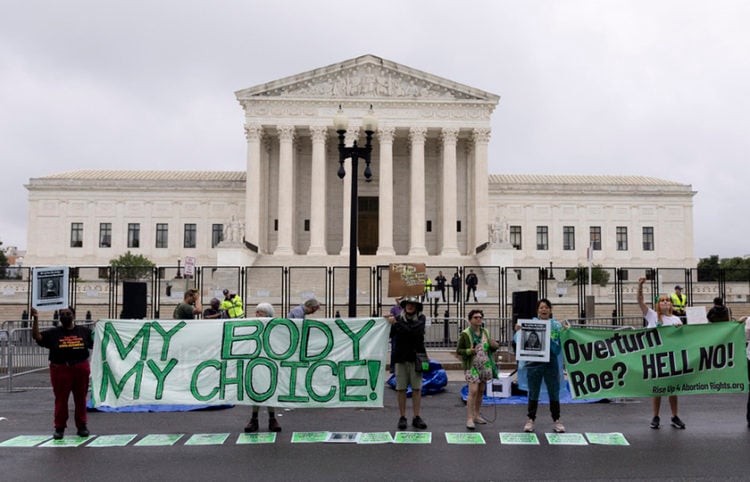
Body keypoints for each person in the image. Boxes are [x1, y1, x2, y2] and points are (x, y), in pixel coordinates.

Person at [31, 306, 94, 440]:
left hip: (80, 368)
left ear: (74, 315)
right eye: (63, 314)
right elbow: (37, 336)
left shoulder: (84, 331)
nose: (65, 316)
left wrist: (102, 327)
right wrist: (35, 318)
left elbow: (98, 342)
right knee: (61, 400)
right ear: (59, 317)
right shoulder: (53, 333)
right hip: (60, 368)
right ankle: (59, 428)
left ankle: (82, 426)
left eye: (68, 313)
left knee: (81, 399)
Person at [638, 277, 686, 429]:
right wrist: (640, 285)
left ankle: (674, 416)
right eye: (662, 300)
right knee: (657, 389)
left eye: (667, 300)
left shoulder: (676, 319)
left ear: (671, 304)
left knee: (672, 389)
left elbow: (682, 340)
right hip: (656, 357)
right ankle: (656, 416)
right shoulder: (652, 315)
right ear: (658, 304)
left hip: (671, 358)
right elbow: (640, 301)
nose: (665, 302)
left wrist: (680, 331)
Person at [515, 298, 566, 433]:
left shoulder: (556, 326)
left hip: (551, 362)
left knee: (553, 391)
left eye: (546, 307)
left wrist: (565, 332)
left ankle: (557, 420)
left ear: (550, 310)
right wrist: (518, 331)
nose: (543, 310)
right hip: (534, 363)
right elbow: (519, 341)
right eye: (541, 308)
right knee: (534, 391)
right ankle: (530, 419)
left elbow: (558, 348)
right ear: (537, 311)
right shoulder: (531, 324)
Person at [387, 296, 428, 430]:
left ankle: (416, 416)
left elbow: (413, 331)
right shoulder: (398, 319)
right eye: (408, 304)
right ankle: (402, 416)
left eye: (413, 304)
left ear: (417, 307)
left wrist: (396, 324)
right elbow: (391, 335)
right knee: (401, 389)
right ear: (404, 306)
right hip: (401, 358)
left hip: (416, 358)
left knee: (416, 389)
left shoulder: (421, 318)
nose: (410, 306)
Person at [456, 309, 498, 429]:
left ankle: (477, 415)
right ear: (470, 320)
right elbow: (459, 350)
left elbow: (490, 348)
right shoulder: (465, 334)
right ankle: (469, 417)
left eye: (480, 317)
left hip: (485, 365)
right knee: (473, 391)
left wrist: (494, 346)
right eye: (475, 317)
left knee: (480, 391)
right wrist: (470, 351)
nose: (478, 319)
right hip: (472, 365)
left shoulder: (486, 332)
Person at [245, 303, 282, 433]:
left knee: (269, 391)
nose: (258, 315)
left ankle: (272, 418)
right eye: (257, 312)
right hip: (255, 363)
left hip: (269, 363)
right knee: (256, 392)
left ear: (268, 314)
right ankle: (254, 419)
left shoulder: (275, 327)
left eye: (261, 312)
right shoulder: (254, 325)